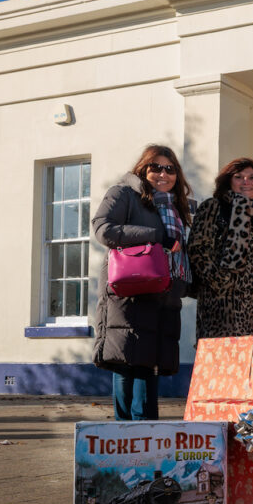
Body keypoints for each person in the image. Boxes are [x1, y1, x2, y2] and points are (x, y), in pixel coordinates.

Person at [93, 145, 194, 421]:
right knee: (126, 362)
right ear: (143, 168)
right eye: (156, 167)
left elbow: (181, 250)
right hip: (129, 292)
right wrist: (154, 237)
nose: (163, 174)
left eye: (170, 169)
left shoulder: (176, 205)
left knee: (150, 367)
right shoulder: (124, 193)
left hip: (163, 293)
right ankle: (124, 435)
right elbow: (103, 228)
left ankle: (147, 435)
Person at [188, 158, 253, 339]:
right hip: (221, 308)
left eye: (252, 177)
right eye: (239, 177)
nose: (246, 182)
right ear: (228, 180)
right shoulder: (213, 207)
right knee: (221, 363)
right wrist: (220, 283)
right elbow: (198, 250)